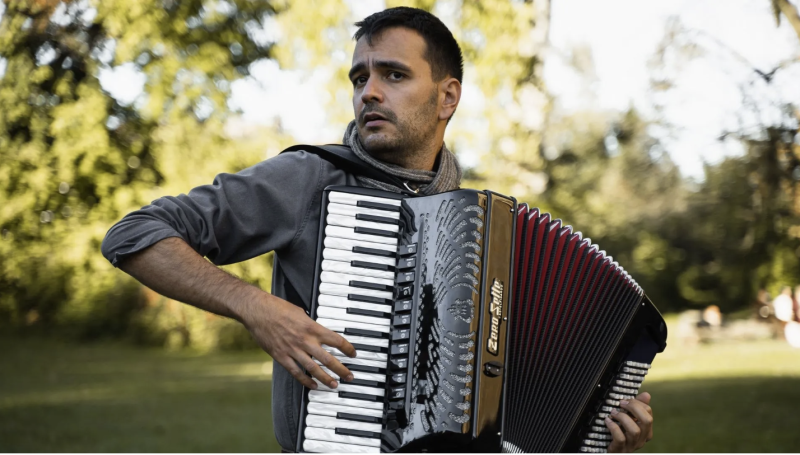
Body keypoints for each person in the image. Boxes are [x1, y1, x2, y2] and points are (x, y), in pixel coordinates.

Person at [101, 7, 654, 452]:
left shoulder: (484, 229)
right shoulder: (311, 179)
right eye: (360, 77)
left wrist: (595, 429)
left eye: (393, 74)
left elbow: (508, 412)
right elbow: (136, 234)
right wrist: (256, 307)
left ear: (447, 97)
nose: (369, 91)